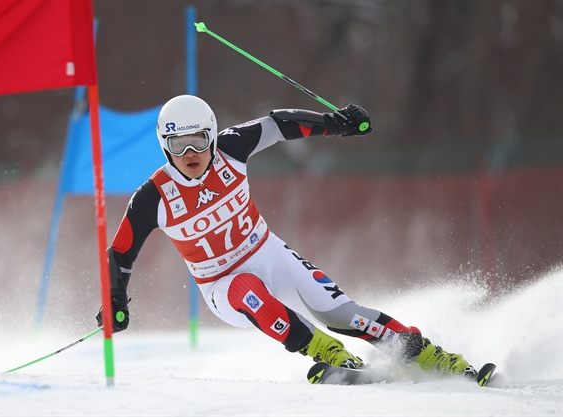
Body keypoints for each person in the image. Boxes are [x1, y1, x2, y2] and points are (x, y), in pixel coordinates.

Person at [97, 94, 477, 378]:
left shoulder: (231, 147)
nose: (192, 153)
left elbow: (277, 124)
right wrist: (116, 300)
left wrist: (336, 123)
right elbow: (120, 252)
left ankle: (429, 355)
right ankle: (328, 353)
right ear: (166, 145)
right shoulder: (154, 196)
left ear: (212, 135)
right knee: (247, 287)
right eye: (180, 145)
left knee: (341, 312)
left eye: (199, 140)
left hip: (265, 250)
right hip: (220, 283)